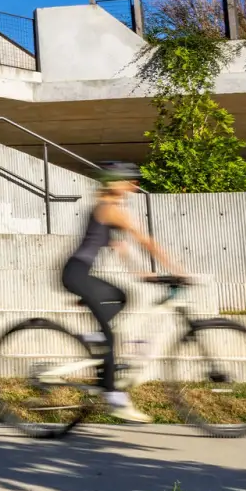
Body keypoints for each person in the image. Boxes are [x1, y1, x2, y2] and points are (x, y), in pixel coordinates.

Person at [60, 161, 188, 424]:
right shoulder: (109, 209)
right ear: (114, 182)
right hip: (77, 273)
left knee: (123, 297)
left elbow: (121, 247)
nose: (133, 186)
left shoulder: (107, 208)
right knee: (109, 338)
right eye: (129, 181)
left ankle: (96, 337)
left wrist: (140, 273)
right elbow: (144, 241)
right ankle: (115, 399)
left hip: (80, 273)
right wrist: (177, 269)